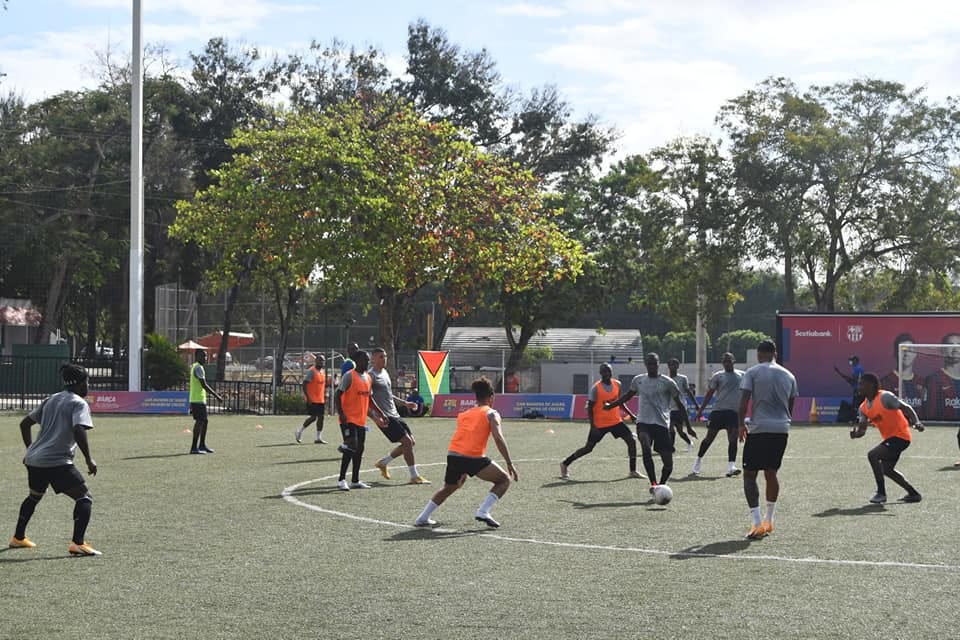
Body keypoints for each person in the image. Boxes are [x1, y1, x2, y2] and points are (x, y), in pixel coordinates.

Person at [9, 364, 101, 556]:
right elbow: (78, 429)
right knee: (84, 497)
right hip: (57, 461)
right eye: (87, 382)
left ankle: (18, 538)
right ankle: (78, 543)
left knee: (34, 496)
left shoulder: (51, 399)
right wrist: (89, 459)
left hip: (34, 460)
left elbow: (24, 424)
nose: (88, 386)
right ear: (80, 383)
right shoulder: (78, 403)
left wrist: (31, 449)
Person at [414, 377, 518, 528]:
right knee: (504, 480)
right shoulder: (492, 413)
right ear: (491, 398)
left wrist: (463, 467)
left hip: (453, 454)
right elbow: (498, 438)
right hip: (472, 457)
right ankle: (483, 511)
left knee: (450, 487)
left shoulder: (465, 414)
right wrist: (509, 462)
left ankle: (422, 517)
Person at [738, 340, 798, 540]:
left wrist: (740, 424)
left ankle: (756, 524)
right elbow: (791, 405)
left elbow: (744, 400)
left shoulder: (752, 372)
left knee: (749, 475)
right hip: (781, 429)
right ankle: (769, 520)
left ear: (759, 354)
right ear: (775, 353)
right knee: (771, 472)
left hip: (759, 429)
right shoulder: (789, 375)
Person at [604, 352, 684, 492]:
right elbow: (627, 396)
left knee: (668, 465)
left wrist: (688, 426)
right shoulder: (638, 380)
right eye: (649, 363)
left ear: (659, 364)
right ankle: (653, 483)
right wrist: (611, 406)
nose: (652, 366)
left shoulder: (668, 382)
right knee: (645, 445)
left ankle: (661, 485)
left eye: (655, 363)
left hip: (661, 424)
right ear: (646, 365)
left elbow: (680, 403)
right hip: (643, 422)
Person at [559, 362, 643, 480]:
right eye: (604, 371)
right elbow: (590, 408)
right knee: (588, 448)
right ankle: (565, 464)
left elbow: (619, 402)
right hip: (600, 424)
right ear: (600, 373)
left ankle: (633, 471)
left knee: (631, 441)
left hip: (616, 421)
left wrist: (631, 415)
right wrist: (593, 426)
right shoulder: (595, 389)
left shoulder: (617, 384)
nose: (607, 373)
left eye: (609, 371)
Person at [850, 373, 924, 504]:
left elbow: (907, 408)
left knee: (873, 455)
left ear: (871, 385)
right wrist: (856, 434)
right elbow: (862, 430)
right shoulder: (863, 408)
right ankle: (914, 494)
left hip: (901, 436)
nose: (859, 386)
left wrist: (916, 422)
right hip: (891, 439)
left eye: (862, 383)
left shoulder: (885, 397)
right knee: (887, 470)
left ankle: (881, 493)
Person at [368, 347, 430, 484]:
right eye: (380, 357)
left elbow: (389, 394)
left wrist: (404, 403)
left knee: (411, 442)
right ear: (373, 359)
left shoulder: (384, 372)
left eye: (385, 356)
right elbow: (367, 400)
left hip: (394, 414)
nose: (384, 359)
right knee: (407, 442)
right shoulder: (370, 376)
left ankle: (383, 463)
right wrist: (375, 417)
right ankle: (414, 476)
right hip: (385, 416)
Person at [334, 350, 383, 490]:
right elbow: (338, 395)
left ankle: (355, 480)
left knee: (359, 449)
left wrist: (380, 414)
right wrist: (341, 413)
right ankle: (341, 479)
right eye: (365, 360)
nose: (367, 362)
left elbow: (370, 399)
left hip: (361, 420)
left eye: (368, 360)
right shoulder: (349, 376)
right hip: (348, 419)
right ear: (357, 361)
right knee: (352, 446)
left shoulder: (368, 378)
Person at [692, 353, 745, 477]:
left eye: (729, 361)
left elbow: (746, 394)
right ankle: (698, 461)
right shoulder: (718, 376)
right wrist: (700, 411)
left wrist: (742, 418)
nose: (727, 363)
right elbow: (709, 394)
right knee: (709, 438)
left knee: (733, 439)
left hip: (733, 413)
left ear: (734, 361)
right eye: (725, 361)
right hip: (718, 411)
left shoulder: (743, 375)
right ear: (722, 363)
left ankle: (731, 466)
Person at [190, 349, 224, 454]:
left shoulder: (196, 366)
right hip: (197, 400)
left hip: (199, 399)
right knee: (200, 421)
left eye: (205, 356)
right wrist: (217, 395)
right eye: (203, 356)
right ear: (197, 356)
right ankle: (194, 447)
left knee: (204, 421)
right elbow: (204, 385)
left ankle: (202, 445)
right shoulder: (198, 368)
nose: (205, 358)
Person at [879, 333, 924, 411]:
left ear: (915, 354)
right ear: (895, 353)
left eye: (909, 350)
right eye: (902, 350)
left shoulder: (922, 381)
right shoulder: (885, 382)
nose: (906, 354)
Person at [923, 332, 960, 421]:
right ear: (942, 350)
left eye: (959, 345)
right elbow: (930, 413)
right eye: (950, 345)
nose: (955, 349)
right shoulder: (933, 379)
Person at [667, 358, 699, 452]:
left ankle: (689, 442)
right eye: (671, 364)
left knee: (680, 431)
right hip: (669, 408)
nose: (672, 366)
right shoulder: (666, 379)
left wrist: (696, 404)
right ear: (668, 366)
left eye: (674, 364)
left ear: (678, 366)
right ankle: (671, 447)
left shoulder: (682, 378)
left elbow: (688, 392)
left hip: (680, 407)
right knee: (670, 428)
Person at [297, 353, 328, 444]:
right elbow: (305, 384)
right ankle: (300, 431)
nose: (321, 362)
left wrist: (325, 394)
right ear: (316, 361)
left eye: (323, 360)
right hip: (312, 398)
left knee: (321, 417)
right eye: (319, 360)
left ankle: (318, 437)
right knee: (313, 417)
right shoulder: (312, 371)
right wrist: (308, 397)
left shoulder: (322, 371)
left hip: (320, 399)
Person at [834, 355, 865, 420]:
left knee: (857, 405)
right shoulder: (857, 368)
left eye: (852, 360)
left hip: (858, 390)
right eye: (850, 360)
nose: (850, 362)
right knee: (858, 405)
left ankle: (858, 419)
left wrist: (841, 374)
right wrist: (840, 373)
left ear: (855, 361)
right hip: (858, 389)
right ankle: (858, 419)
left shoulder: (857, 368)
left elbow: (854, 380)